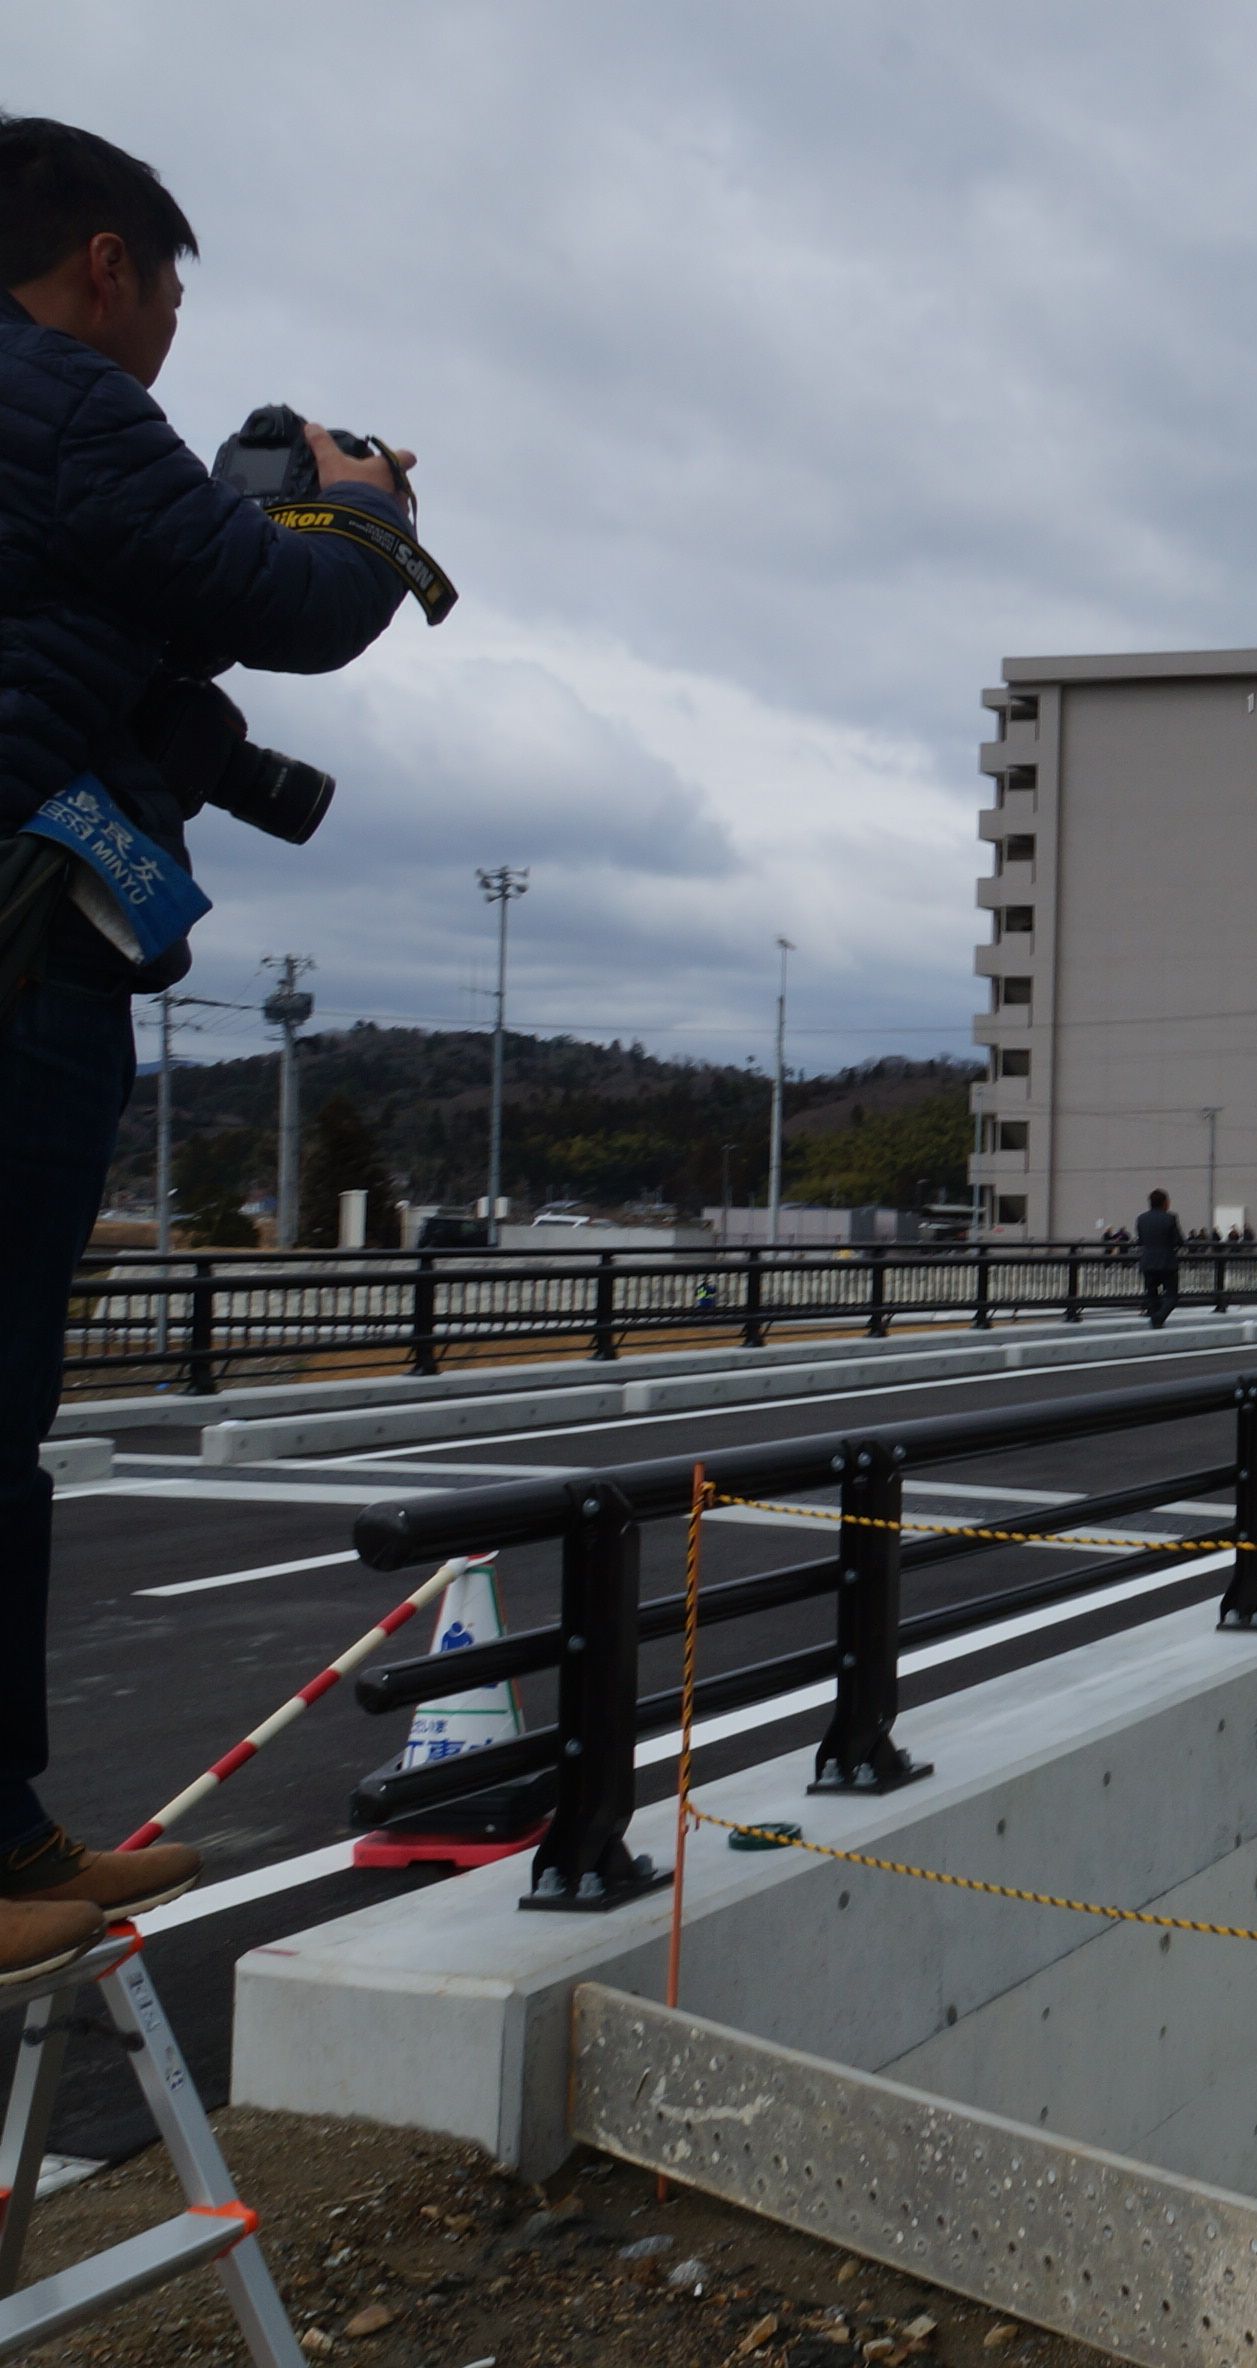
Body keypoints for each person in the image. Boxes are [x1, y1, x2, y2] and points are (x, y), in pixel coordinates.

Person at [0, 119, 427, 1964]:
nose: (169, 327)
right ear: (108, 265)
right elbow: (296, 607)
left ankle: (12, 1843)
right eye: (167, 288)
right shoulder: (64, 404)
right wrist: (360, 505)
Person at [1132, 1190, 1185, 1327]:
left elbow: (1141, 1240)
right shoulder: (1170, 1218)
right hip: (1167, 1261)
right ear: (1165, 1203)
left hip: (1147, 1261)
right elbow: (1179, 1240)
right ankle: (1159, 1318)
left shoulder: (1141, 1218)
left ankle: (1156, 1319)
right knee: (1172, 1295)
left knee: (1151, 1294)